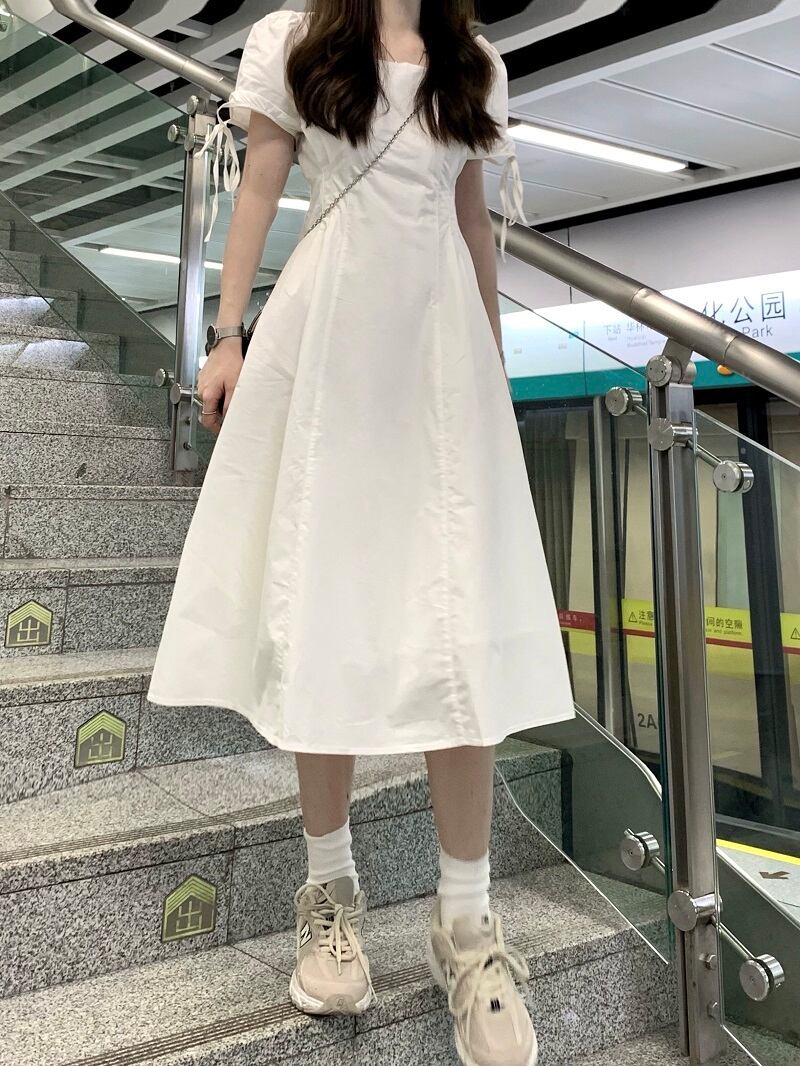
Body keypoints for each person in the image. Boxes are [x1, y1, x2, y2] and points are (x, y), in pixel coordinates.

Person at [147, 2, 574, 1063]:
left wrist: (491, 360)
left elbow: (470, 221)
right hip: (329, 334)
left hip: (441, 351)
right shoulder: (292, 40)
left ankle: (465, 923)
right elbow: (259, 186)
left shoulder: (473, 61)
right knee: (323, 598)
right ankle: (329, 891)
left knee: (459, 620)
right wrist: (224, 334)